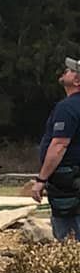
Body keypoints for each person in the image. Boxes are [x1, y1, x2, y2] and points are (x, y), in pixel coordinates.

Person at [30, 57, 80, 242]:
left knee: (68, 239)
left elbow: (59, 145)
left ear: (77, 81)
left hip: (69, 185)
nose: (65, 70)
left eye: (70, 70)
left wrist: (41, 179)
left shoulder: (67, 108)